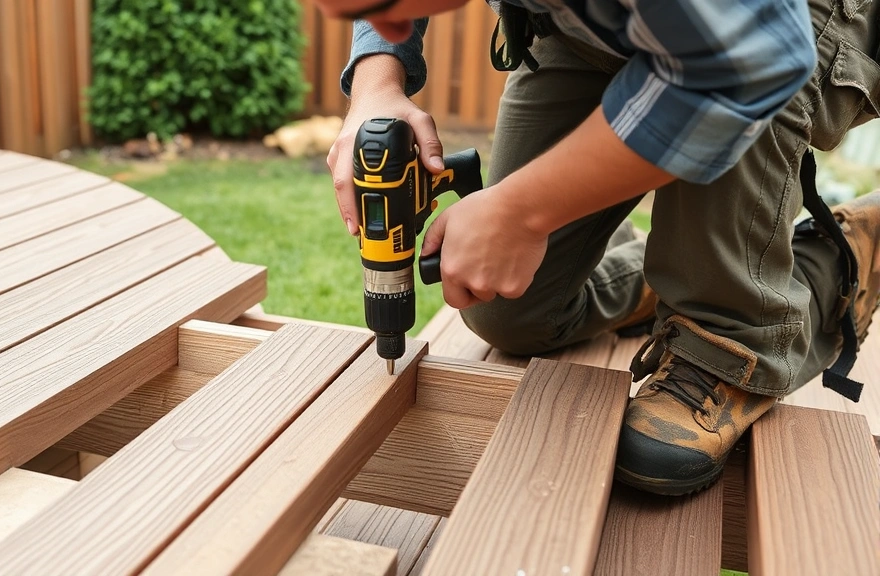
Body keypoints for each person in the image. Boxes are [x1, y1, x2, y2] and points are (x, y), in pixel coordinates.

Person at [313, 0, 880, 495]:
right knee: (508, 309)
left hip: (770, 28)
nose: (389, 29)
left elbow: (755, 56)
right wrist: (376, 87)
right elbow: (386, 32)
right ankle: (680, 268)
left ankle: (763, 319)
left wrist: (521, 212)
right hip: (590, 26)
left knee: (740, 68)